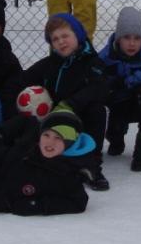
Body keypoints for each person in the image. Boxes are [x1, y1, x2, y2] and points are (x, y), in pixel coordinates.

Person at [9, 13, 111, 191]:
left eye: (65, 36)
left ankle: (91, 165)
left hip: (80, 119)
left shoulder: (93, 63)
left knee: (98, 110)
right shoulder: (50, 64)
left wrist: (70, 104)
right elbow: (22, 80)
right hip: (52, 120)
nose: (61, 42)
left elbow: (98, 88)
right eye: (55, 39)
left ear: (77, 35)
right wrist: (12, 98)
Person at [98, 7, 141, 172]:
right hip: (117, 103)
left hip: (139, 103)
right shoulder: (107, 55)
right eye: (126, 37)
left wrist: (128, 80)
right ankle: (115, 135)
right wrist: (110, 84)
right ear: (119, 38)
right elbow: (96, 78)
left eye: (137, 38)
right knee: (115, 138)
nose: (132, 43)